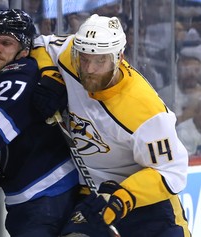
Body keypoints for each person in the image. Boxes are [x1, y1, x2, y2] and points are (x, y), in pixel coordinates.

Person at [31, 14, 190, 237]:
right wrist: (50, 75)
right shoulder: (70, 56)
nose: (89, 69)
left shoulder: (145, 110)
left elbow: (172, 172)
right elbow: (40, 43)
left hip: (144, 203)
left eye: (100, 61)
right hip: (93, 195)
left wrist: (122, 198)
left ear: (119, 57)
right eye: (84, 59)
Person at [0, 9, 79, 237]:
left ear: (23, 50)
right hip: (44, 194)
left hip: (44, 197)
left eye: (6, 43)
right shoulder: (14, 72)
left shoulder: (19, 74)